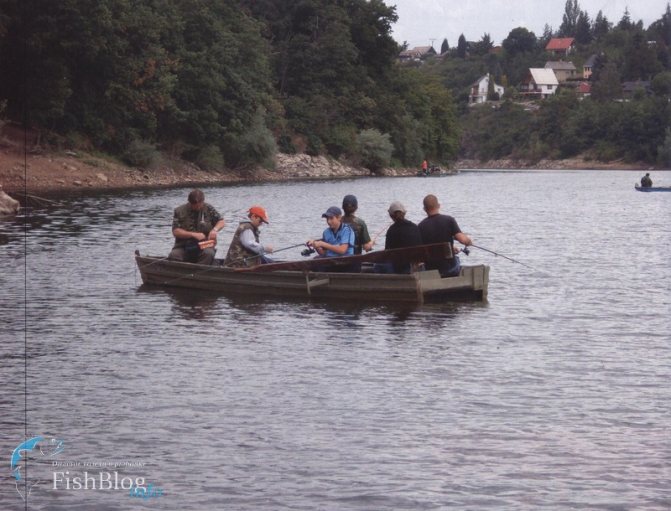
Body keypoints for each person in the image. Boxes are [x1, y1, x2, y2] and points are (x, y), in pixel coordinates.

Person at [418, 194, 472, 277]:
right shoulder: (449, 220)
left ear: (424, 209)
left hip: (430, 270)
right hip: (449, 269)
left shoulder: (420, 226)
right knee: (457, 260)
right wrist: (469, 241)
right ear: (439, 206)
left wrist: (451, 249)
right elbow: (462, 240)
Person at [169, 189, 225, 265]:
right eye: (195, 206)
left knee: (209, 254)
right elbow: (176, 231)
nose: (198, 207)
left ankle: (199, 274)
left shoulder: (209, 209)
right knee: (174, 255)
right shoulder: (179, 211)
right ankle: (181, 273)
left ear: (203, 201)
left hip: (205, 244)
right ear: (190, 202)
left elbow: (221, 221)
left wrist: (214, 230)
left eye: (200, 205)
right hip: (183, 246)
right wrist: (193, 234)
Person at [375, 201, 423, 274]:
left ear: (391, 216)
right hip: (414, 266)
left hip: (399, 268)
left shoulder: (391, 230)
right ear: (404, 213)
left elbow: (387, 252)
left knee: (377, 265)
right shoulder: (414, 227)